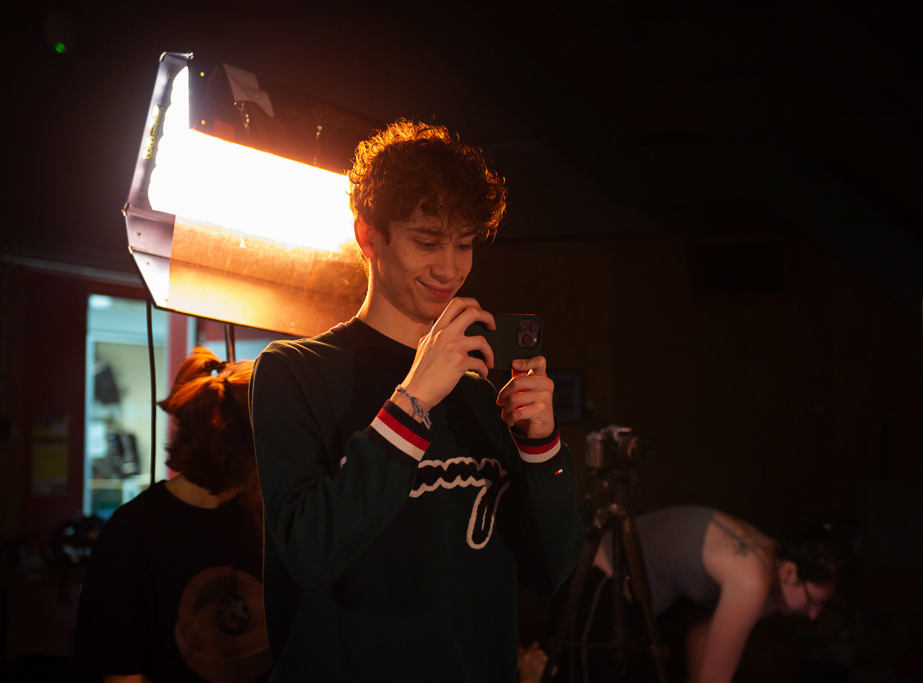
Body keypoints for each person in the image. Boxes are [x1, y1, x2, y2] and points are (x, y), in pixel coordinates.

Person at [249, 119, 586, 682]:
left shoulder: (482, 396)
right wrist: (412, 402)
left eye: (464, 244)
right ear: (369, 236)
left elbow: (550, 569)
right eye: (427, 242)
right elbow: (309, 553)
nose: (449, 268)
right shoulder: (294, 371)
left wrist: (541, 447)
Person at [74, 348, 272, 683]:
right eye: (270, 445)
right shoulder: (132, 534)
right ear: (234, 450)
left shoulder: (263, 517)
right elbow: (122, 673)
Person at [570, 505, 850, 683]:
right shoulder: (753, 580)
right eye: (814, 602)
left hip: (633, 595)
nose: (813, 615)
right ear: (790, 571)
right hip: (603, 573)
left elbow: (700, 634)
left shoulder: (768, 572)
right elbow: (713, 677)